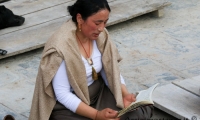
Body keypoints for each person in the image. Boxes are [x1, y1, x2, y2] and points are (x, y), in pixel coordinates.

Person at [29, 0, 153, 120]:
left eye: (105, 22)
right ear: (79, 19)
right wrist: (96, 115)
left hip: (98, 93)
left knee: (138, 112)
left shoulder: (101, 35)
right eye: (97, 23)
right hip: (68, 105)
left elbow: (110, 71)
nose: (101, 28)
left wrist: (124, 94)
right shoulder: (60, 46)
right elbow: (62, 94)